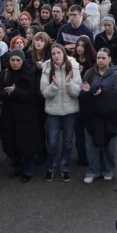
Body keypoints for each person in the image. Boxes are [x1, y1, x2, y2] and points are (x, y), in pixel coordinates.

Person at [0, 48, 43, 181]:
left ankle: (28, 169)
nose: (15, 63)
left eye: (18, 60)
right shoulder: (5, 73)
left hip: (27, 115)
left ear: (23, 61)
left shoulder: (30, 73)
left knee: (27, 143)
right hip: (9, 115)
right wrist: (8, 93)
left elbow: (31, 95)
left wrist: (15, 91)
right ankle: (17, 166)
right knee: (12, 141)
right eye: (12, 60)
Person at [80, 47, 117, 183]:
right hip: (92, 116)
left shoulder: (116, 76)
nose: (100, 60)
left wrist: (102, 93)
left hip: (110, 118)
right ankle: (92, 171)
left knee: (109, 147)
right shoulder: (89, 73)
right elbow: (82, 93)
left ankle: (108, 169)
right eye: (98, 58)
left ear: (110, 59)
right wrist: (88, 92)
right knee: (91, 145)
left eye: (103, 58)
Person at [40, 43, 82, 182]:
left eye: (58, 53)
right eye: (53, 54)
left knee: (68, 143)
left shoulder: (74, 67)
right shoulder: (47, 69)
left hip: (70, 111)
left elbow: (77, 92)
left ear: (63, 53)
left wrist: (69, 83)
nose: (56, 56)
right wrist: (55, 86)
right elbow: (44, 93)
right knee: (52, 143)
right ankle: (51, 167)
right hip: (53, 112)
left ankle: (65, 168)